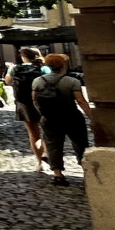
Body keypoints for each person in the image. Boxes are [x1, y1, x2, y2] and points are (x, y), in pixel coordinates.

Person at [35, 53, 92, 186]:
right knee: (80, 144)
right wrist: (91, 117)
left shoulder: (38, 81)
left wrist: (43, 113)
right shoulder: (72, 81)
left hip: (49, 117)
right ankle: (86, 173)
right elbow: (80, 101)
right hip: (71, 116)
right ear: (62, 66)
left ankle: (58, 175)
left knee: (53, 145)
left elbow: (35, 100)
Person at [7, 48, 47, 170]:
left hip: (24, 103)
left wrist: (9, 69)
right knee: (48, 131)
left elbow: (8, 81)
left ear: (23, 56)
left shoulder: (15, 68)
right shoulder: (43, 68)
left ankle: (40, 162)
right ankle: (47, 153)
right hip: (43, 101)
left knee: (33, 133)